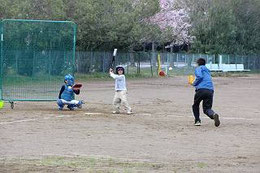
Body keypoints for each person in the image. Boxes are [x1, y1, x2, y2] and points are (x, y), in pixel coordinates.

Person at [191, 58, 220, 127]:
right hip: (210, 90)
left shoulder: (199, 68)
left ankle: (197, 120)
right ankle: (213, 115)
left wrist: (194, 83)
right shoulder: (207, 70)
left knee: (195, 105)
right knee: (207, 108)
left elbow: (200, 76)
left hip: (201, 89)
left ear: (198, 63)